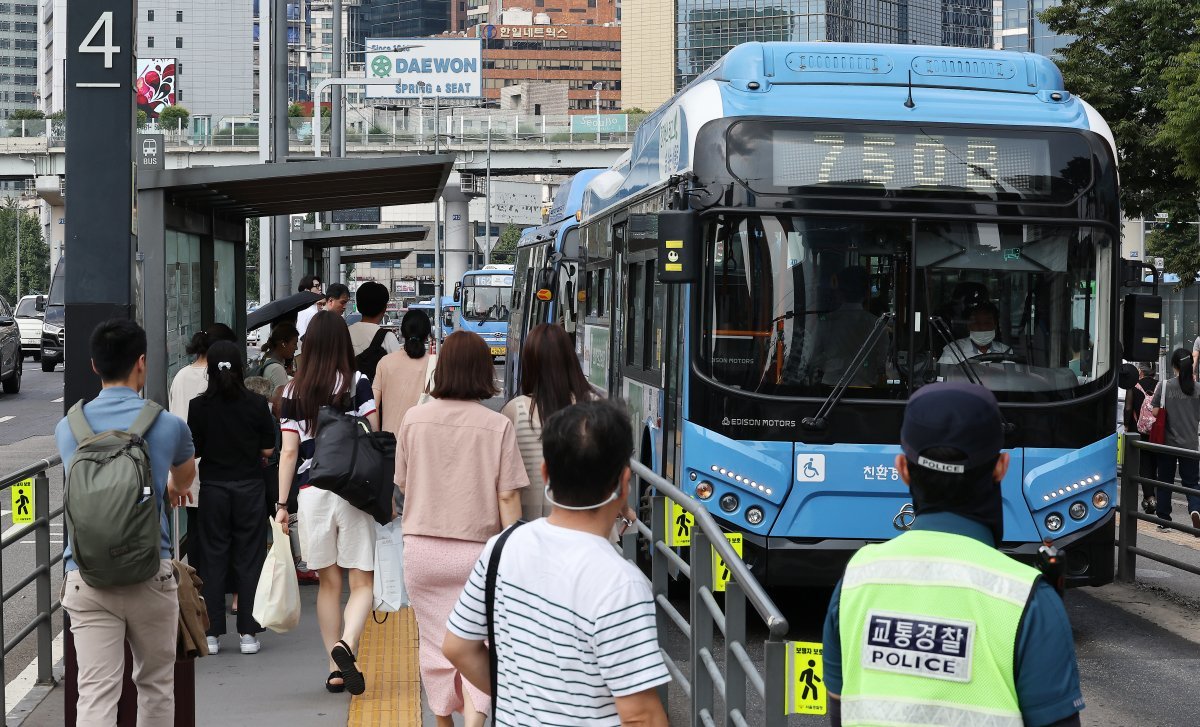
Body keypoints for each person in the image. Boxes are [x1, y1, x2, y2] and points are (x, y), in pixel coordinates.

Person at [821, 381, 1084, 727]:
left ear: (902, 469)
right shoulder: (1029, 599)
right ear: (1001, 467)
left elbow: (840, 712)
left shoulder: (856, 579)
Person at [443, 400, 669, 727]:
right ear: (624, 482)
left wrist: (516, 697)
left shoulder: (502, 547)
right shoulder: (621, 584)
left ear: (546, 473)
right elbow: (642, 717)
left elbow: (457, 646)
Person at [56, 319, 196, 725]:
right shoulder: (167, 424)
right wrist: (169, 485)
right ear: (142, 363)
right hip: (150, 572)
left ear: (95, 366)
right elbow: (185, 477)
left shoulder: (69, 428)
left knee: (96, 694)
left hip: (86, 574)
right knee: (155, 685)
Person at [394, 331, 528, 727]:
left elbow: (402, 482)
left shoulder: (413, 419)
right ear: (484, 370)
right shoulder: (496, 424)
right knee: (482, 645)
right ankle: (475, 719)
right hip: (478, 556)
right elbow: (507, 499)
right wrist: (516, 555)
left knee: (436, 645)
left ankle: (443, 722)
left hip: (422, 552)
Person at [276, 311, 380, 694]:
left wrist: (282, 505)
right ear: (342, 344)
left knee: (329, 584)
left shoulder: (291, 391)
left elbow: (288, 453)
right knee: (362, 581)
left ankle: (334, 669)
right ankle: (346, 646)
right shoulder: (359, 383)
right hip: (352, 491)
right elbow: (373, 437)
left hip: (311, 492)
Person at [186, 341, 277, 656]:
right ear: (241, 369)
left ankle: (211, 635)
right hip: (250, 489)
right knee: (249, 559)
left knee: (212, 559)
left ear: (209, 370)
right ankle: (248, 635)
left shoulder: (199, 407)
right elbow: (268, 450)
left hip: (213, 489)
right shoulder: (256, 404)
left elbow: (194, 450)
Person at [167, 323, 238, 594]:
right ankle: (226, 588)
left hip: (186, 466)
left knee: (197, 531)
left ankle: (196, 589)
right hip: (217, 467)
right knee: (225, 531)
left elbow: (175, 418)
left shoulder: (181, 376)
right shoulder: (219, 376)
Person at [501, 323, 596, 520]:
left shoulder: (515, 410)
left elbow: (505, 483)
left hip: (531, 524)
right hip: (587, 525)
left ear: (530, 364)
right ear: (570, 360)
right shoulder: (596, 406)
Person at [806, 266, 886, 386]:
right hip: (867, 393)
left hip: (829, 394)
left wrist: (832, 363)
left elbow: (812, 359)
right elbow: (881, 363)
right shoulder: (877, 325)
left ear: (838, 292)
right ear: (866, 293)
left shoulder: (826, 322)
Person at [1152, 348, 1200, 533]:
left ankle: (1164, 520)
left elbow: (1156, 412)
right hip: (1190, 445)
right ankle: (1195, 509)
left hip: (1167, 444)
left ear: (1174, 365)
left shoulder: (1165, 386)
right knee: (1192, 483)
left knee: (1165, 481)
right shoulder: (1198, 389)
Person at [373, 309, 435, 436]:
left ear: (402, 332)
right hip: (420, 443)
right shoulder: (435, 364)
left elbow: (373, 406)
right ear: (428, 334)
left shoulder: (385, 362)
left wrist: (377, 439)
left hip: (390, 445)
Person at [1124, 361, 1159, 514]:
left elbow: (1128, 408)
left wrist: (1126, 425)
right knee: (1156, 463)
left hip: (1138, 432)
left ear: (1141, 371)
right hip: (1157, 431)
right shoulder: (1161, 385)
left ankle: (1149, 498)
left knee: (1144, 465)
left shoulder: (1134, 386)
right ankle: (1159, 498)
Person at [938, 303, 1013, 364]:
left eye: (987, 323)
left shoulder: (1005, 351)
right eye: (977, 323)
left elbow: (1010, 379)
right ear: (969, 326)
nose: (982, 327)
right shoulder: (953, 350)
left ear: (995, 326)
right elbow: (944, 379)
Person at [348, 281, 402, 357]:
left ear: (358, 306)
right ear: (384, 308)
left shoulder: (346, 333)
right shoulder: (388, 337)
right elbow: (397, 365)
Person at [253, 322, 298, 392]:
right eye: (294, 344)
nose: (296, 348)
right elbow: (283, 400)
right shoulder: (277, 369)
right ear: (284, 344)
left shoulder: (267, 358)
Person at [295, 275, 324, 341]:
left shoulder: (301, 309)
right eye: (316, 286)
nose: (320, 289)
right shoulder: (313, 312)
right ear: (307, 291)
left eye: (319, 286)